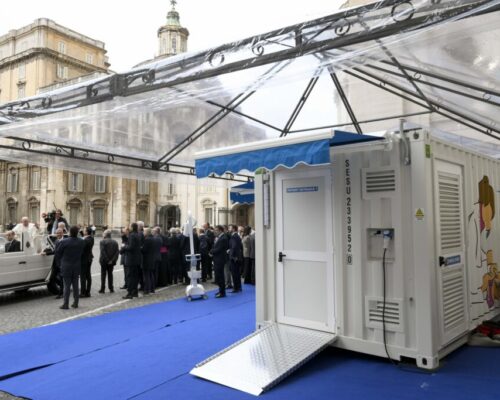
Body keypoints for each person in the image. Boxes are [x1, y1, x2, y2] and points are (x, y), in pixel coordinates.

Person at [55, 225, 85, 309]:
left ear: (70, 232)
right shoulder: (81, 241)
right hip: (76, 265)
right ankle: (76, 303)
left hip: (66, 265)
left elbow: (58, 253)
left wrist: (60, 262)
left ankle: (66, 304)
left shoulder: (64, 241)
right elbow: (82, 253)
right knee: (75, 285)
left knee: (67, 286)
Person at [121, 223, 142, 299]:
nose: (129, 228)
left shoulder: (132, 235)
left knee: (130, 276)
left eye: (130, 226)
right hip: (137, 258)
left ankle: (130, 293)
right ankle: (135, 292)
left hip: (131, 259)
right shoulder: (138, 234)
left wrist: (124, 247)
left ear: (132, 228)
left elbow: (131, 247)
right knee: (135, 276)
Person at [43, 228, 65, 299]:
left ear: (62, 233)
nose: (58, 234)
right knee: (52, 277)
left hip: (62, 262)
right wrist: (45, 251)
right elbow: (54, 250)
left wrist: (46, 253)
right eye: (57, 233)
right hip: (55, 263)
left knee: (61, 278)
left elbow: (56, 251)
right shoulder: (56, 240)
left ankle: (61, 293)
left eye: (59, 233)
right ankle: (61, 290)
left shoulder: (65, 241)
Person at [210, 225, 229, 298]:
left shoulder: (223, 238)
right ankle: (221, 290)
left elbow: (219, 249)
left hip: (220, 259)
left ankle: (222, 292)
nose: (214, 231)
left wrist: (211, 251)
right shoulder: (219, 237)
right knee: (218, 276)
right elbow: (216, 246)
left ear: (220, 230)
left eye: (216, 230)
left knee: (220, 276)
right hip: (217, 259)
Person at [141, 228, 157, 295]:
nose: (143, 233)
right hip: (152, 258)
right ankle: (152, 289)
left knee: (146, 275)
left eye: (144, 232)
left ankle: (147, 289)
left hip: (146, 259)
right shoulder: (153, 239)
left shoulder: (147, 239)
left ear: (147, 232)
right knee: (151, 274)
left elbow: (144, 250)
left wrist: (140, 248)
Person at [228, 224, 243, 293]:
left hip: (234, 258)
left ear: (233, 229)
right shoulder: (236, 236)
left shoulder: (234, 236)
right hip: (237, 257)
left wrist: (231, 254)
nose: (229, 229)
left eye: (230, 228)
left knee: (234, 273)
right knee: (237, 273)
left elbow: (234, 247)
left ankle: (236, 288)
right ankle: (238, 287)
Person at [80, 226, 94, 297]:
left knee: (83, 276)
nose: (83, 231)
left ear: (87, 232)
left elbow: (82, 249)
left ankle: (83, 292)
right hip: (89, 258)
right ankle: (88, 291)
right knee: (88, 275)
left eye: (84, 230)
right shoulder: (91, 238)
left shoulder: (86, 240)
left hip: (84, 259)